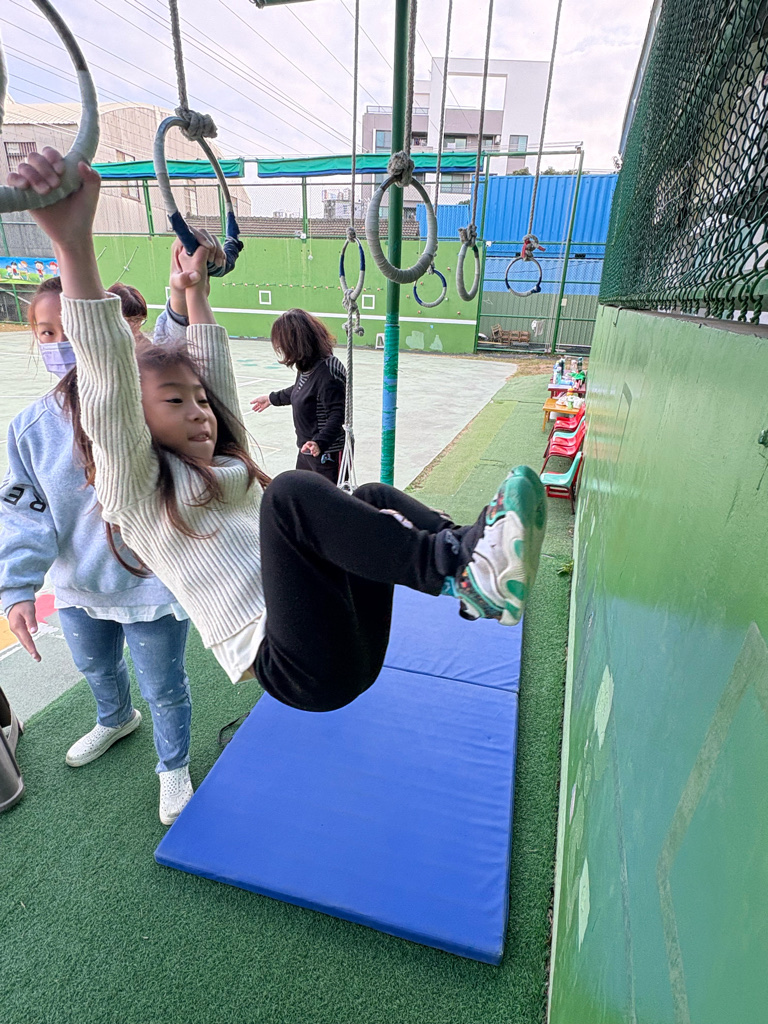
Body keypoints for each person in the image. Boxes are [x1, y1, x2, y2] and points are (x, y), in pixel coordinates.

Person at [13, 149, 547, 719]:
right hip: (299, 667)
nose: (200, 412)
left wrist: (195, 293)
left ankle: (470, 561)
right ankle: (455, 563)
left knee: (369, 497)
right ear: (135, 426)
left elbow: (212, 370)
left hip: (351, 638)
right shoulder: (136, 490)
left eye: (200, 401)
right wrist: (73, 244)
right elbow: (108, 381)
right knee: (292, 492)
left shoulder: (226, 461)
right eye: (174, 402)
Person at [0, 274, 194, 826]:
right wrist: (17, 588)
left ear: (103, 330)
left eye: (71, 328)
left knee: (165, 687)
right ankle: (115, 718)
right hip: (78, 585)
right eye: (45, 332)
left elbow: (177, 351)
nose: (59, 342)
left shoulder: (146, 402)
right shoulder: (30, 428)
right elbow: (24, 512)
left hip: (150, 585)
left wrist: (182, 297)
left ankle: (173, 766)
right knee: (95, 666)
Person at [251, 309, 347, 483]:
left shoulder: (327, 371)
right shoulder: (307, 365)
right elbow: (301, 391)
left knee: (327, 499)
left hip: (327, 455)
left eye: (283, 344)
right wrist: (271, 399)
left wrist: (319, 443)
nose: (281, 348)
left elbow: (337, 414)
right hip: (307, 450)